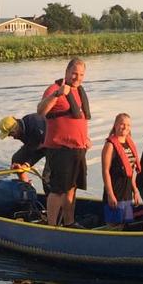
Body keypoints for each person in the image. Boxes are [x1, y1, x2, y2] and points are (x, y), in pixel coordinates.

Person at [37, 58, 91, 227]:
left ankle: (69, 222)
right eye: (74, 73)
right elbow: (40, 111)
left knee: (72, 188)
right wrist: (57, 94)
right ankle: (51, 226)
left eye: (81, 74)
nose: (77, 77)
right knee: (58, 190)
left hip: (78, 149)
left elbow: (79, 119)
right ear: (67, 72)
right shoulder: (54, 89)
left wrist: (85, 139)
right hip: (60, 149)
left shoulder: (78, 91)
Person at [100, 113, 141, 227]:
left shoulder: (129, 143)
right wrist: (110, 194)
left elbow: (131, 171)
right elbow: (105, 171)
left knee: (126, 224)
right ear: (116, 125)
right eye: (122, 124)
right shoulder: (110, 145)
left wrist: (135, 190)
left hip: (127, 192)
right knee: (114, 225)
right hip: (115, 191)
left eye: (128, 125)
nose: (125, 127)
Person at [0, 113, 49, 189]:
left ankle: (52, 197)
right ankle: (27, 188)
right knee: (17, 160)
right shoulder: (21, 130)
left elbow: (45, 147)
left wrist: (27, 164)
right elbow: (33, 147)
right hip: (37, 145)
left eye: (11, 134)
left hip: (53, 147)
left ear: (15, 128)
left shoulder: (35, 124)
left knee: (48, 178)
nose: (12, 137)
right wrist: (19, 167)